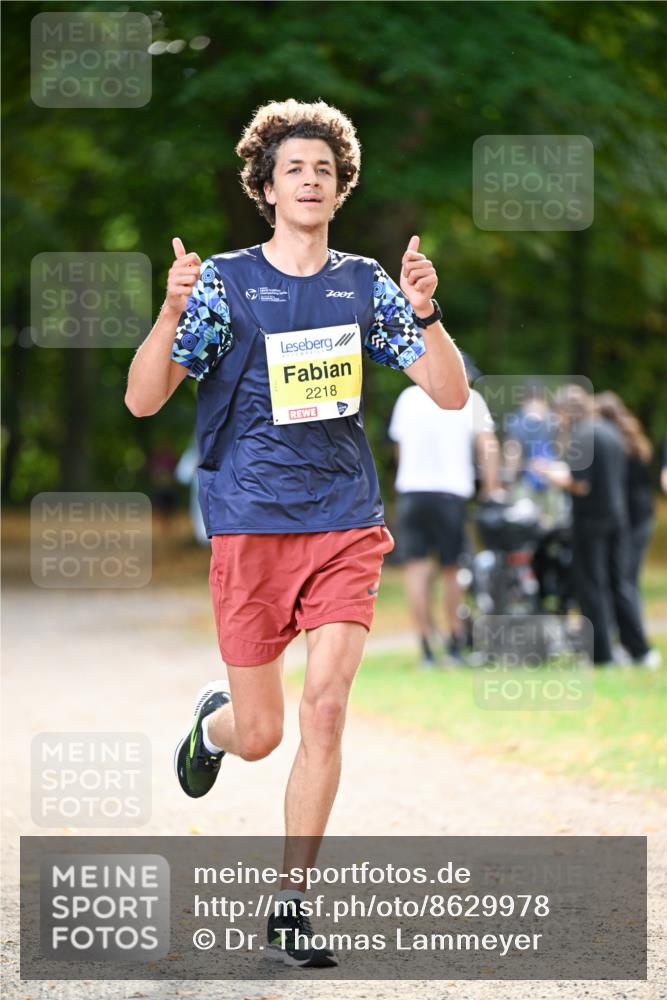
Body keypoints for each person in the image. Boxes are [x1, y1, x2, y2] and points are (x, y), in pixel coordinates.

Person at [124, 99, 468, 967]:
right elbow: (142, 399)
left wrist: (425, 314)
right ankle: (214, 727)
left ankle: (291, 905)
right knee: (264, 732)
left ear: (339, 187)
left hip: (345, 521)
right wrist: (169, 312)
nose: (309, 179)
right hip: (247, 523)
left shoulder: (364, 286)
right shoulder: (226, 284)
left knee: (324, 708)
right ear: (266, 189)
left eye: (324, 168)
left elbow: (450, 393)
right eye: (294, 170)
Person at [537, 384, 659, 668]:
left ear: (567, 411)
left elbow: (581, 483)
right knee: (620, 584)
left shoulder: (583, 435)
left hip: (590, 520)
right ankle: (639, 649)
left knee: (591, 585)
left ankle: (601, 653)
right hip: (617, 518)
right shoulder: (610, 432)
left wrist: (554, 476)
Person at [388, 358, 499, 665]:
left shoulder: (407, 398)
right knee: (452, 568)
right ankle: (453, 641)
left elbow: (398, 447)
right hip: (450, 492)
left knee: (416, 568)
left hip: (411, 491)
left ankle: (425, 646)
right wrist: (491, 488)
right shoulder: (469, 398)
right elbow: (487, 446)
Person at [594, 392, 654, 613]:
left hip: (632, 517)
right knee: (628, 578)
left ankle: (631, 635)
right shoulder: (631, 437)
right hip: (642, 515)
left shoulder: (614, 442)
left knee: (624, 580)